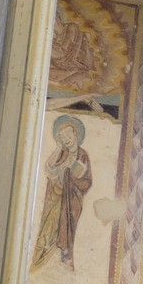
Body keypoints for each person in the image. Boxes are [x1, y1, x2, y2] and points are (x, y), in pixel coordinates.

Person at [32, 114, 93, 269]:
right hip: (56, 197)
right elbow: (49, 168)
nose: (65, 138)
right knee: (47, 230)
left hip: (70, 201)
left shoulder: (83, 155)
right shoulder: (62, 152)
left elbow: (87, 182)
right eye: (62, 136)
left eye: (68, 134)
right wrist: (58, 147)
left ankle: (64, 260)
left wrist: (70, 177)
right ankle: (39, 259)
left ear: (76, 134)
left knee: (65, 230)